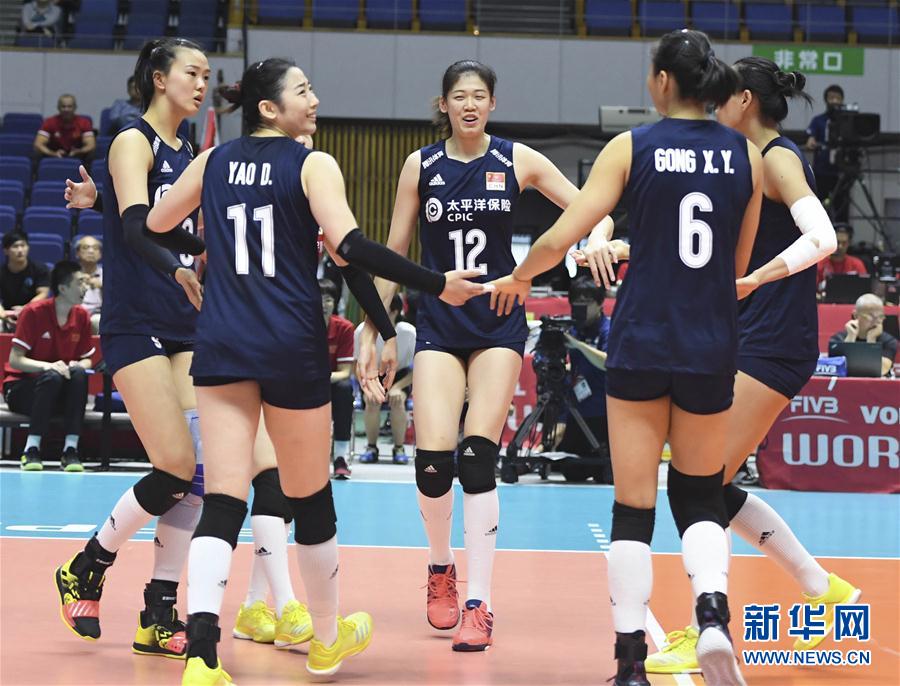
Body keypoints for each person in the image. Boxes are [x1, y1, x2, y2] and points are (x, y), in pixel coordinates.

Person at [144, 57, 485, 683]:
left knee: (223, 499)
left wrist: (215, 248)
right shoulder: (312, 164)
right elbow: (350, 247)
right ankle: (326, 640)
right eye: (303, 90)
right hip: (289, 345)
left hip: (221, 342)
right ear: (270, 108)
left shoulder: (212, 161)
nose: (315, 98)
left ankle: (201, 656)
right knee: (311, 496)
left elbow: (157, 222)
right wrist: (438, 284)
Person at [491, 30, 762, 685]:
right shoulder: (745, 156)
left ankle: (631, 664)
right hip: (710, 342)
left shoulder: (631, 146)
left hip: (643, 339)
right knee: (701, 495)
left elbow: (561, 235)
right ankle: (713, 616)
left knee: (633, 508)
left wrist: (520, 276)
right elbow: (737, 265)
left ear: (663, 81)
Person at [357, 58, 613, 654]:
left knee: (477, 459)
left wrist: (599, 238)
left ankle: (479, 602)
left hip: (498, 323)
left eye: (479, 96)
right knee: (432, 463)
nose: (469, 104)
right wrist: (372, 326)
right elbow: (394, 252)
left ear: (492, 103)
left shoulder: (517, 160)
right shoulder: (420, 165)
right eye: (459, 96)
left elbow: (590, 208)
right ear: (443, 104)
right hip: (439, 325)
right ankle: (439, 565)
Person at [633, 56, 857, 675]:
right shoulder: (739, 163)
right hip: (743, 340)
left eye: (723, 96)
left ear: (745, 101)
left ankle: (709, 627)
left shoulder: (779, 158)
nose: (713, 105)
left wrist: (758, 278)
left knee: (695, 484)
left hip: (774, 344)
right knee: (712, 483)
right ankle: (823, 590)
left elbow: (823, 238)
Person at [53, 38, 209, 661]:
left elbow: (171, 223)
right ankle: (88, 565)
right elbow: (137, 228)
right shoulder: (131, 139)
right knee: (174, 465)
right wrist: (180, 265)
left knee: (197, 473)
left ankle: (158, 613)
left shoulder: (188, 150)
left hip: (185, 323)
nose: (201, 83)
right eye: (191, 72)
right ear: (159, 78)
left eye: (206, 74)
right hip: (135, 322)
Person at [4, 260, 92, 472]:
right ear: (63, 288)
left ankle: (71, 450)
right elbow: (15, 359)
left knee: (79, 374)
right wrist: (47, 366)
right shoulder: (33, 312)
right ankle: (31, 449)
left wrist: (76, 365)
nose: (85, 287)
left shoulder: (82, 316)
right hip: (21, 389)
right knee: (52, 376)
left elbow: (87, 360)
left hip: (58, 391)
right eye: (80, 282)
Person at [554, 275, 611, 481]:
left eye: (587, 302)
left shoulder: (608, 329)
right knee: (571, 471)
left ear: (600, 303)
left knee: (606, 473)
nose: (581, 308)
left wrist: (578, 345)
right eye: (576, 303)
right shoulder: (571, 329)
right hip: (578, 411)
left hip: (605, 412)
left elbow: (608, 362)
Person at [355, 294, 415, 465]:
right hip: (371, 373)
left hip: (400, 375)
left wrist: (398, 387)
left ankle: (399, 448)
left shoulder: (408, 332)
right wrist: (367, 387)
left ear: (395, 312)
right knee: (372, 401)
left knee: (398, 400)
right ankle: (371, 447)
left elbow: (418, 369)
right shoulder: (362, 331)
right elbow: (356, 365)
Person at [320, 278, 355, 479]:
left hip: (330, 382)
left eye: (328, 300)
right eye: (319, 299)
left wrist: (321, 377)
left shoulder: (344, 328)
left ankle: (340, 457)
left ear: (334, 303)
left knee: (344, 388)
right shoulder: (301, 325)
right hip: (307, 383)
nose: (324, 304)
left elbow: (345, 372)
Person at [829, 293, 896, 376]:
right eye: (871, 316)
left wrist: (871, 340)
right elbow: (837, 368)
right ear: (856, 315)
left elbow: (882, 369)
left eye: (880, 316)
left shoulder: (889, 341)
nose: (877, 321)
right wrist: (850, 338)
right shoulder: (837, 340)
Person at [805, 84, 845, 220]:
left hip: (841, 172)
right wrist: (811, 140)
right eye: (831, 98)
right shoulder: (818, 120)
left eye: (837, 98)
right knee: (818, 206)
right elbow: (810, 138)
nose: (834, 101)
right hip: (821, 172)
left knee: (841, 207)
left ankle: (841, 230)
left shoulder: (847, 121)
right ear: (826, 100)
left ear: (842, 100)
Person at [1, 231, 50, 331]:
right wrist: (3, 315)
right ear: (6, 251)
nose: (20, 250)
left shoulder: (40, 269)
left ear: (28, 248)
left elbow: (43, 294)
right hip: (7, 313)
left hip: (33, 311)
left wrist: (26, 309)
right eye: (15, 246)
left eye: (23, 245)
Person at [34, 94, 96, 162]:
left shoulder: (84, 122)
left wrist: (79, 151)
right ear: (58, 108)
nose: (66, 109)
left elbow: (91, 145)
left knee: (91, 154)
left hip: (78, 155)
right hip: (54, 155)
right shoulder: (49, 122)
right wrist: (53, 153)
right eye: (63, 106)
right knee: (37, 153)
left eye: (69, 106)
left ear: (75, 107)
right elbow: (38, 144)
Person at [815, 223, 869, 289]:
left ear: (849, 243)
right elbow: (812, 289)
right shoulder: (819, 264)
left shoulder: (857, 264)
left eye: (844, 243)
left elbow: (864, 287)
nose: (840, 246)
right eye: (837, 242)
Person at [74, 235, 102, 332]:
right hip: (74, 312)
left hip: (98, 313)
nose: (91, 251)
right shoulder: (70, 274)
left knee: (97, 321)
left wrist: (102, 287)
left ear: (100, 254)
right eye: (86, 247)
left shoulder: (108, 275)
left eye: (95, 248)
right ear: (77, 253)